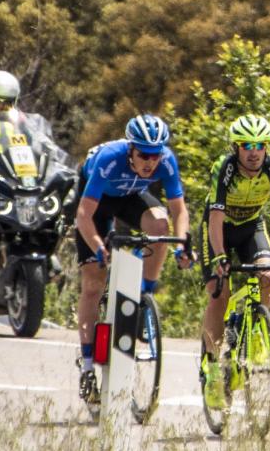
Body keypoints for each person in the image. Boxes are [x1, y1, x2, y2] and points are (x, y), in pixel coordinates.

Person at [200, 114, 270, 408]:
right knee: (219, 293)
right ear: (236, 147)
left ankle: (256, 334)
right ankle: (211, 370)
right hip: (219, 230)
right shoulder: (224, 169)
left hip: (251, 226)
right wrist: (220, 257)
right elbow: (214, 218)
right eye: (247, 145)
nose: (254, 152)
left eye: (260, 145)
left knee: (268, 275)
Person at [73, 114, 193, 387]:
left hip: (129, 198)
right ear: (131, 149)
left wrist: (183, 244)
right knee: (93, 282)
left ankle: (144, 296)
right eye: (144, 155)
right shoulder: (108, 160)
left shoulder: (166, 160)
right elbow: (83, 215)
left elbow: (179, 210)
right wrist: (98, 246)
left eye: (156, 155)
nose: (151, 162)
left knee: (161, 226)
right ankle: (88, 364)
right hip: (97, 203)